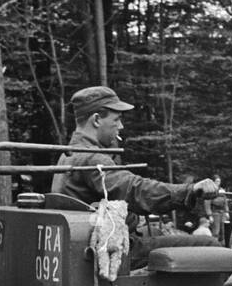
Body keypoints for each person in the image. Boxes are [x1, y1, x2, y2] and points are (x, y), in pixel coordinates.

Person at [52, 85, 219, 215]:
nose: (120, 126)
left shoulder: (68, 154)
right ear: (96, 120)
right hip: (109, 246)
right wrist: (189, 190)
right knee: (207, 244)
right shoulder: (92, 158)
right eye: (116, 120)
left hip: (94, 239)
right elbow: (134, 190)